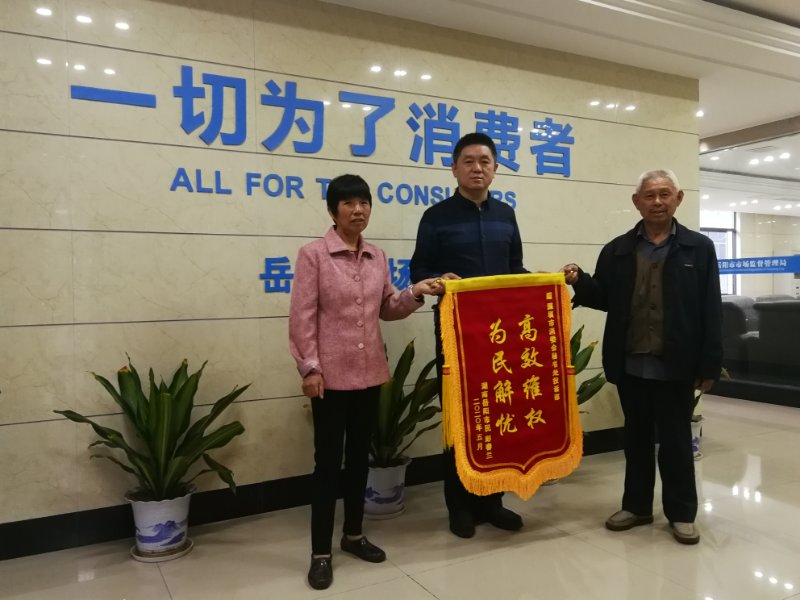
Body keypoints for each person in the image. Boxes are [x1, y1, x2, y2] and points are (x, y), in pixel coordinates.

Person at [289, 174, 440, 590]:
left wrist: (415, 292)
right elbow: (302, 316)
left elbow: (387, 308)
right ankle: (320, 553)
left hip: (370, 374)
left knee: (359, 460)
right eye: (349, 203)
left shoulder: (377, 256)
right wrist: (310, 368)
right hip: (330, 378)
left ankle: (353, 535)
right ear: (333, 210)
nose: (358, 210)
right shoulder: (313, 255)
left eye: (364, 203)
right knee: (327, 465)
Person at [561, 169, 722, 545]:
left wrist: (709, 363)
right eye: (649, 195)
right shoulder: (617, 249)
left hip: (677, 365)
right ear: (637, 202)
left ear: (678, 198)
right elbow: (605, 297)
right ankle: (636, 507)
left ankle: (682, 513)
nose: (657, 202)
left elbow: (710, 308)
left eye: (665, 194)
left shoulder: (698, 248)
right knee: (635, 440)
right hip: (631, 362)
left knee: (676, 442)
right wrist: (580, 280)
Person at [410, 132, 527, 539]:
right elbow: (418, 270)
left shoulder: (506, 214)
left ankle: (492, 501)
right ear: (454, 168)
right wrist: (437, 278)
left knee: (497, 415)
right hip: (456, 334)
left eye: (485, 161)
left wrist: (547, 283)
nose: (478, 168)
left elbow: (516, 269)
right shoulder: (436, 216)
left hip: (500, 336)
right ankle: (459, 505)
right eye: (469, 161)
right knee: (460, 419)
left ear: (495, 168)